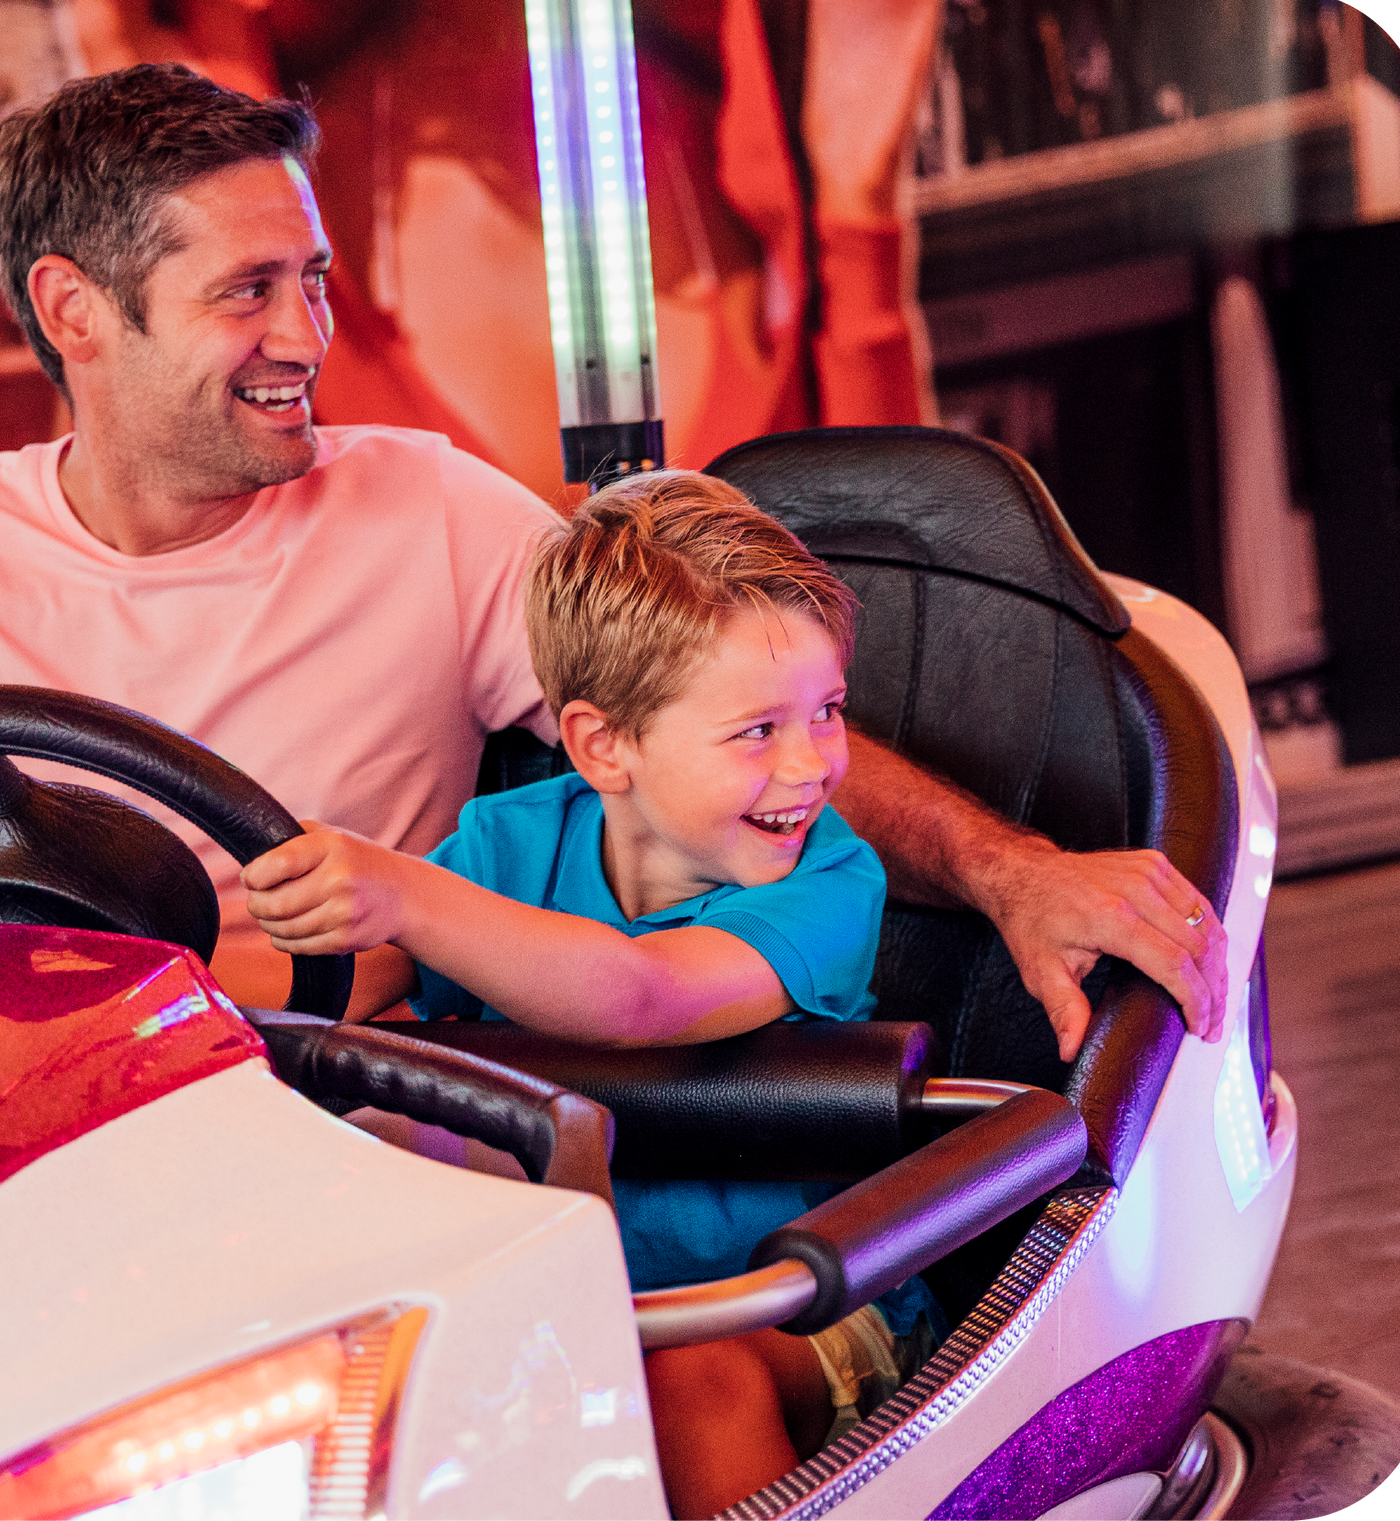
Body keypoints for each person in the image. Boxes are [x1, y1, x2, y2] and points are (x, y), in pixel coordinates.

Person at [0, 62, 1226, 1065]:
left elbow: (718, 713)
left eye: (313, 279)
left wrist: (1014, 870)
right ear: (77, 311)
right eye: (251, 293)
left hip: (343, 1092)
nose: (308, 337)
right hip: (12, 1120)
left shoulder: (423, 508)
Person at [241, 473, 937, 1518]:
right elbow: (329, 987)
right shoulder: (507, 843)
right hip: (569, 1305)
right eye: (758, 732)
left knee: (686, 1384)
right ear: (604, 745)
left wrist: (407, 895)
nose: (812, 766)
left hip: (800, 1301)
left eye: (827, 712)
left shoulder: (831, 884)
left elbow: (641, 998)